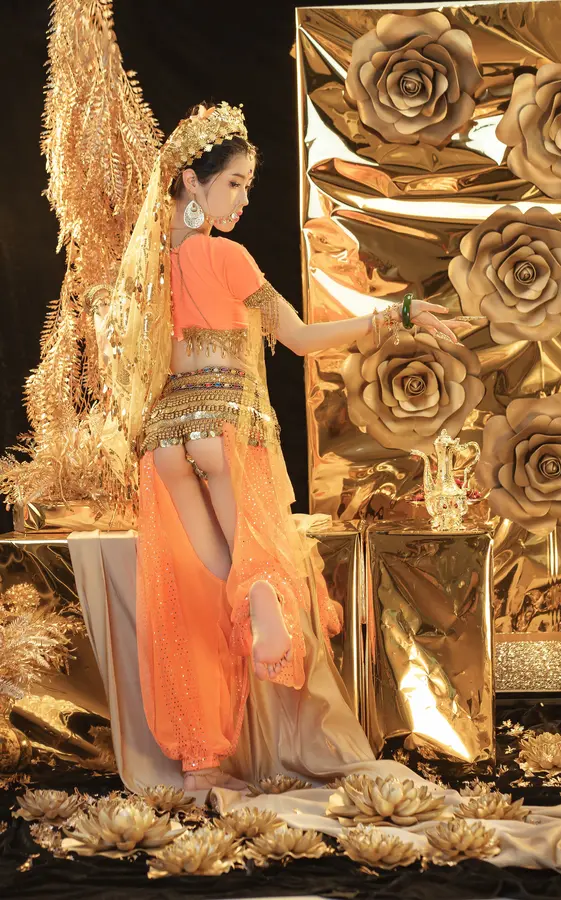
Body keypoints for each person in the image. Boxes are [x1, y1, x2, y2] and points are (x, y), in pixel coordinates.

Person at [102, 102, 462, 792]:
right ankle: (267, 609)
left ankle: (201, 764)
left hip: (168, 437)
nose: (243, 199)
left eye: (247, 185)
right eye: (234, 182)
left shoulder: (143, 270)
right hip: (227, 425)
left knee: (194, 598)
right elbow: (297, 337)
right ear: (190, 181)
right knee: (259, 557)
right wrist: (395, 314)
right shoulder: (227, 257)